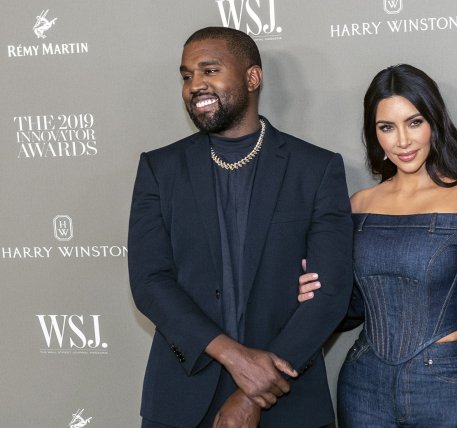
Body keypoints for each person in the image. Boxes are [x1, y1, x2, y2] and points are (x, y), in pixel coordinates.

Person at [128, 26, 353, 428]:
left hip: (289, 402)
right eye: (186, 75)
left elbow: (330, 293)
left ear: (252, 78)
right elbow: (149, 281)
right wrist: (236, 357)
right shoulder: (159, 169)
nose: (195, 85)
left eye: (209, 70)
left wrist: (254, 392)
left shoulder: (315, 169)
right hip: (181, 399)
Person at [298, 64, 457, 427]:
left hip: (443, 388)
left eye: (414, 122)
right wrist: (316, 291)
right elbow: (352, 305)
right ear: (374, 135)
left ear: (435, 123)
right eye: (386, 127)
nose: (402, 141)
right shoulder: (359, 205)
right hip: (363, 387)